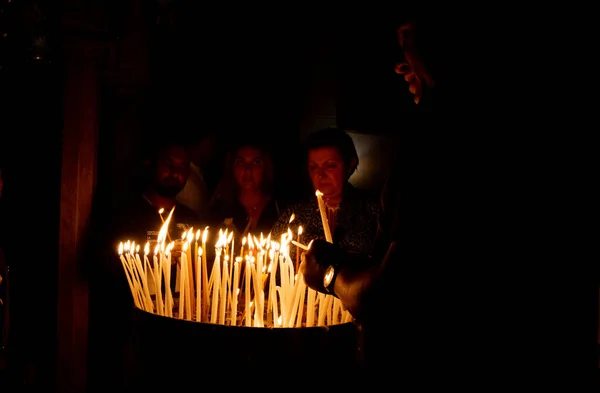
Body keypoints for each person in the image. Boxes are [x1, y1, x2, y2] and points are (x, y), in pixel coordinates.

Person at [85, 137, 202, 390]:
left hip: (180, 338)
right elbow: (97, 268)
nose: (176, 172)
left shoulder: (192, 221)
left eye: (184, 167)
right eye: (169, 163)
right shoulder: (123, 215)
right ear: (150, 163)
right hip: (128, 334)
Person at [270, 127, 381, 266]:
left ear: (350, 165)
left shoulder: (374, 213)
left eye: (330, 166)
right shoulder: (292, 217)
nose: (320, 175)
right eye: (314, 167)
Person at [207, 138, 284, 239]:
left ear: (265, 167)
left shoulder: (279, 209)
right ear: (233, 166)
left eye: (256, 162)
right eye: (241, 162)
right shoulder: (220, 210)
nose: (248, 169)